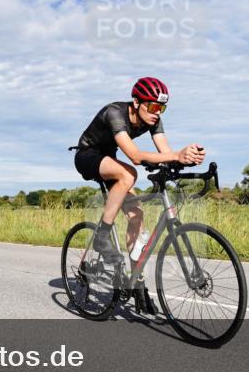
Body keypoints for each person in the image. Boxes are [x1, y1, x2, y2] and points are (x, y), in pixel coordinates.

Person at [73, 77, 205, 265]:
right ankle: (101, 237)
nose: (157, 113)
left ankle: (135, 283)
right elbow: (134, 156)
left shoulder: (154, 120)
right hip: (87, 155)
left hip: (110, 160)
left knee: (137, 215)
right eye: (152, 107)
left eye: (161, 108)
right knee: (129, 174)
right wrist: (177, 155)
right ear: (136, 102)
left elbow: (166, 154)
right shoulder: (114, 113)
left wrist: (189, 158)